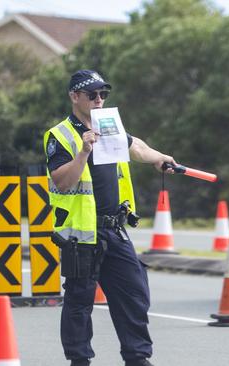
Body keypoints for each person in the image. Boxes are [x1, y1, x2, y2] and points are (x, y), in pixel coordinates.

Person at [44, 69, 176, 366]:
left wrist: (159, 158)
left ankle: (137, 357)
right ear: (74, 96)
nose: (99, 99)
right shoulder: (60, 135)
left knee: (134, 293)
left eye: (103, 94)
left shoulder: (109, 123)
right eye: (92, 94)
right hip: (82, 234)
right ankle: (80, 360)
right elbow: (61, 181)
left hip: (114, 229)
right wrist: (83, 151)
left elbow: (136, 146)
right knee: (80, 301)